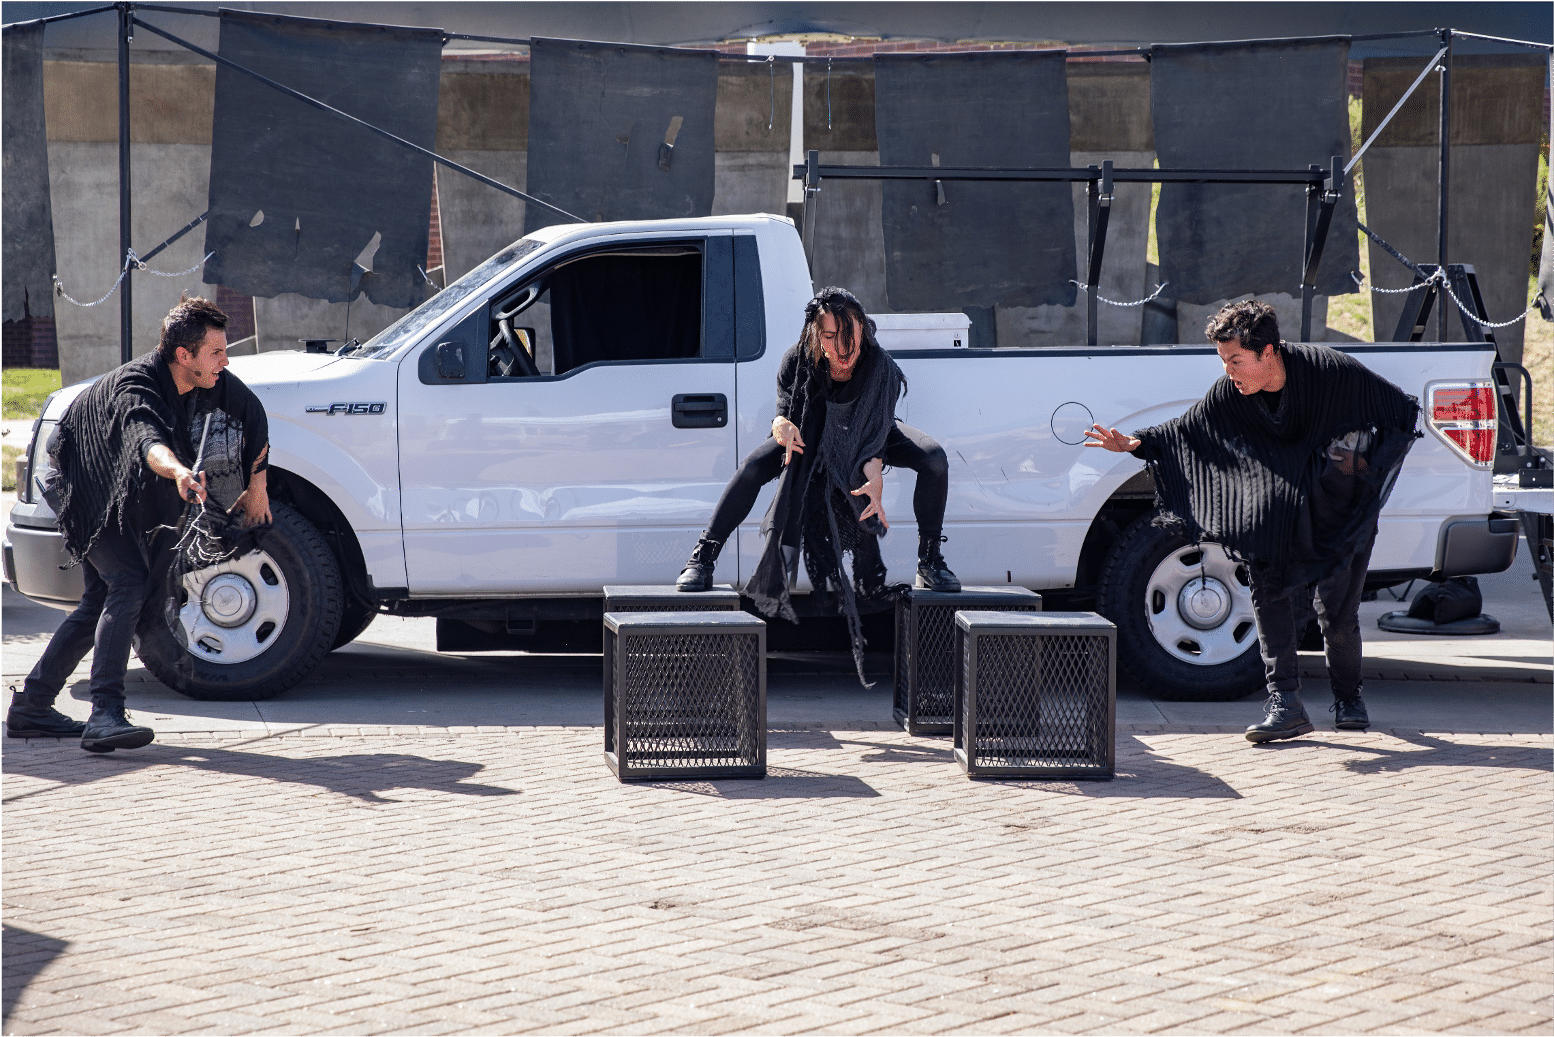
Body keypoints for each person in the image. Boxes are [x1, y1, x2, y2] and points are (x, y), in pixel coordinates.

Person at [1084, 300, 1418, 743]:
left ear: (1268, 352)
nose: (1229, 372)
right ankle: (1286, 705)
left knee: (1336, 613)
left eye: (1236, 361)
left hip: (1340, 514)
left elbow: (1398, 411)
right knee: (1268, 593)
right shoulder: (1231, 394)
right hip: (1278, 515)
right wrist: (1134, 443)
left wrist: (1360, 473)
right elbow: (1188, 428)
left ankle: (1348, 698)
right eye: (1223, 362)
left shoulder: (1330, 372)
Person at [6, 297, 271, 753]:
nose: (225, 363)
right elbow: (147, 441)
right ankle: (105, 713)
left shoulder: (210, 379)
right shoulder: (137, 387)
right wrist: (180, 473)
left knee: (98, 601)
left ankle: (32, 706)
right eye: (216, 353)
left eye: (225, 352)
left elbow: (253, 415)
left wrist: (258, 484)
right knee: (127, 581)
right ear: (183, 355)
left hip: (116, 480)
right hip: (80, 480)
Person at [675, 288, 959, 675]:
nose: (842, 349)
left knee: (934, 459)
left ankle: (930, 559)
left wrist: (873, 468)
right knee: (754, 467)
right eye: (830, 337)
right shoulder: (797, 359)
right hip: (811, 428)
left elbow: (876, 432)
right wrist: (780, 426)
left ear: (863, 327)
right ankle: (704, 556)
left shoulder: (881, 367)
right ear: (815, 335)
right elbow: (783, 414)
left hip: (867, 432)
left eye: (849, 336)